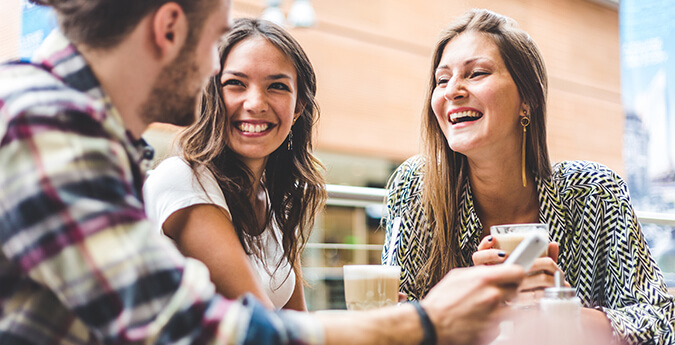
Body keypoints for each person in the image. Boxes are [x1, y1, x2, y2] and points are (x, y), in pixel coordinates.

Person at [0, 1, 527, 344]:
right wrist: (426, 323)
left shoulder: (82, 131)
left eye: (277, 86)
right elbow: (191, 328)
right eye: (216, 49)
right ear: (168, 29)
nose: (213, 73)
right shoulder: (45, 125)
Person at [381, 8, 675, 345]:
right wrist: (465, 306)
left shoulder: (594, 192)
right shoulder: (414, 186)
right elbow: (391, 315)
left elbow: (660, 322)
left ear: (528, 99)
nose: (452, 90)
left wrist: (561, 311)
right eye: (442, 79)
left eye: (476, 73)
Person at [143, 18, 324, 311]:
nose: (255, 103)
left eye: (277, 86)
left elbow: (297, 323)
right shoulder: (185, 181)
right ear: (210, 94)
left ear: (298, 108)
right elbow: (265, 328)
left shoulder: (275, 199)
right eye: (235, 84)